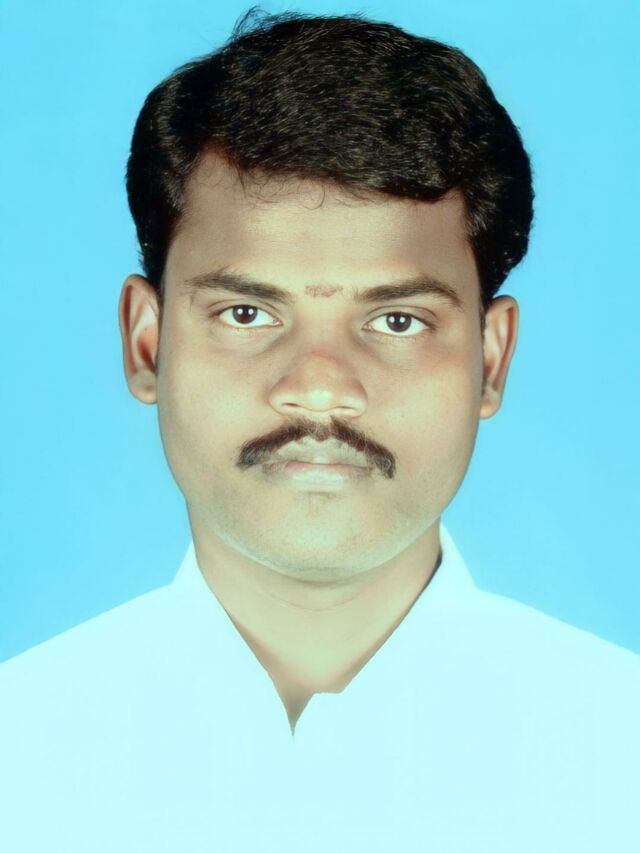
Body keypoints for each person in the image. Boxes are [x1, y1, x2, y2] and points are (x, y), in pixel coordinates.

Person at [1, 10, 637, 853]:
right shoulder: (21, 753)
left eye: (398, 321)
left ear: (491, 359)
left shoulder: (616, 755)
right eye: (246, 312)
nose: (319, 387)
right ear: (146, 342)